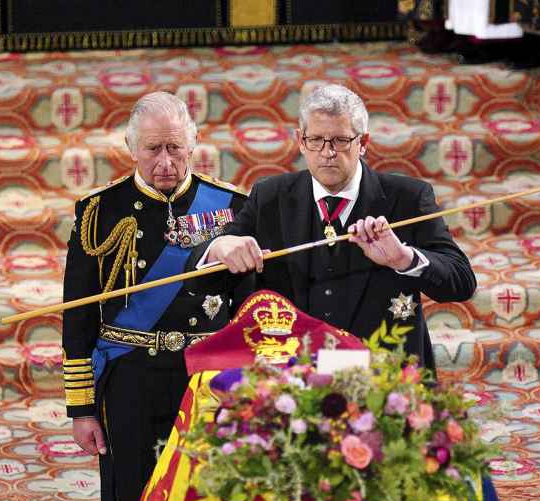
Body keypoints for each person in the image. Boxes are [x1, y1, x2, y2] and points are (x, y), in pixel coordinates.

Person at [63, 92, 246, 501]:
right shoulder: (98, 213)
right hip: (131, 376)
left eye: (175, 148)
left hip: (206, 378)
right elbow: (79, 317)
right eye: (153, 149)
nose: (165, 162)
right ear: (131, 148)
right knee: (139, 493)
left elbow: (247, 309)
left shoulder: (232, 209)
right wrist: (82, 409)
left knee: (208, 498)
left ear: (194, 143)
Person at [198, 83, 476, 368]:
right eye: (316, 140)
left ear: (363, 143)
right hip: (293, 372)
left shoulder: (408, 197)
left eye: (340, 140)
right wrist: (220, 248)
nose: (327, 152)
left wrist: (403, 258)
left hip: (383, 374)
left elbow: (462, 283)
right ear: (300, 141)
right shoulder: (269, 197)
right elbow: (209, 279)